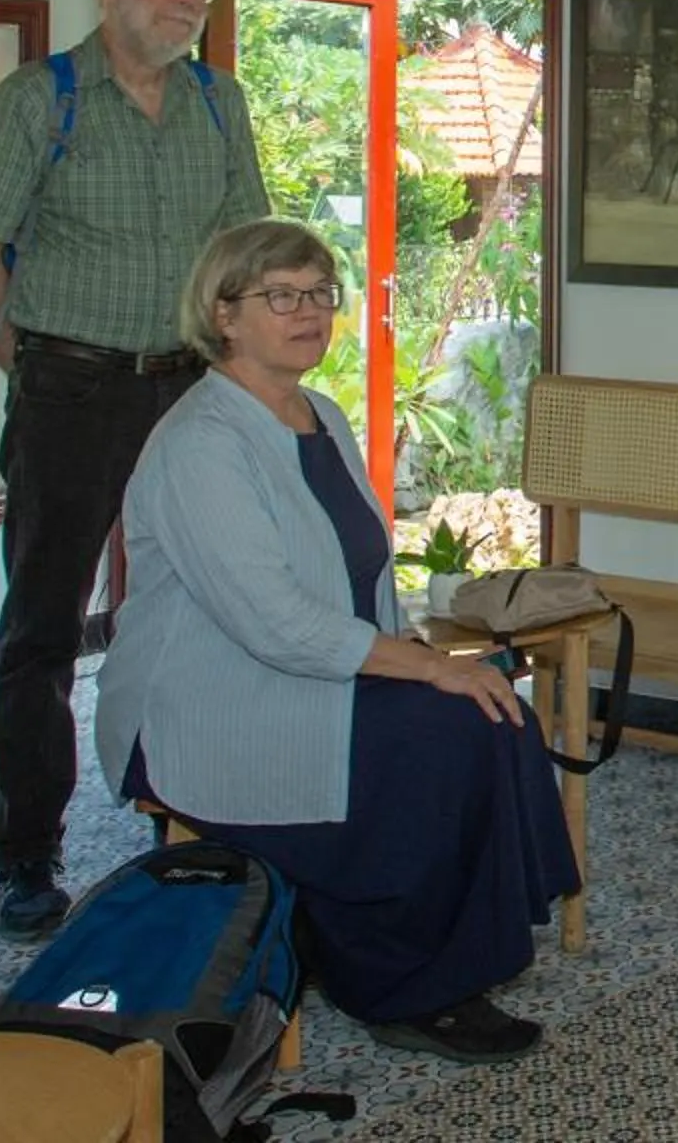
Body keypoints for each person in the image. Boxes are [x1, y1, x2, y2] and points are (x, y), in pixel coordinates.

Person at [94, 220, 579, 1062]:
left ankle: (438, 959)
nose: (309, 312)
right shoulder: (203, 443)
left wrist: (433, 669)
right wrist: (427, 669)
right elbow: (272, 620)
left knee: (492, 716)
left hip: (318, 675)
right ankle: (396, 982)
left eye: (320, 293)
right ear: (224, 313)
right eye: (282, 295)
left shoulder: (317, 414)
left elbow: (357, 583)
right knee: (439, 738)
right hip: (212, 705)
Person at [0, 0, 269, 938]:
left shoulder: (222, 103)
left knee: (200, 606)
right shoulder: (41, 100)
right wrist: (31, 362)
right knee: (43, 625)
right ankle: (24, 850)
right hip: (72, 390)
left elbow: (248, 248)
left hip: (190, 388)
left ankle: (185, 817)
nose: (185, 3)